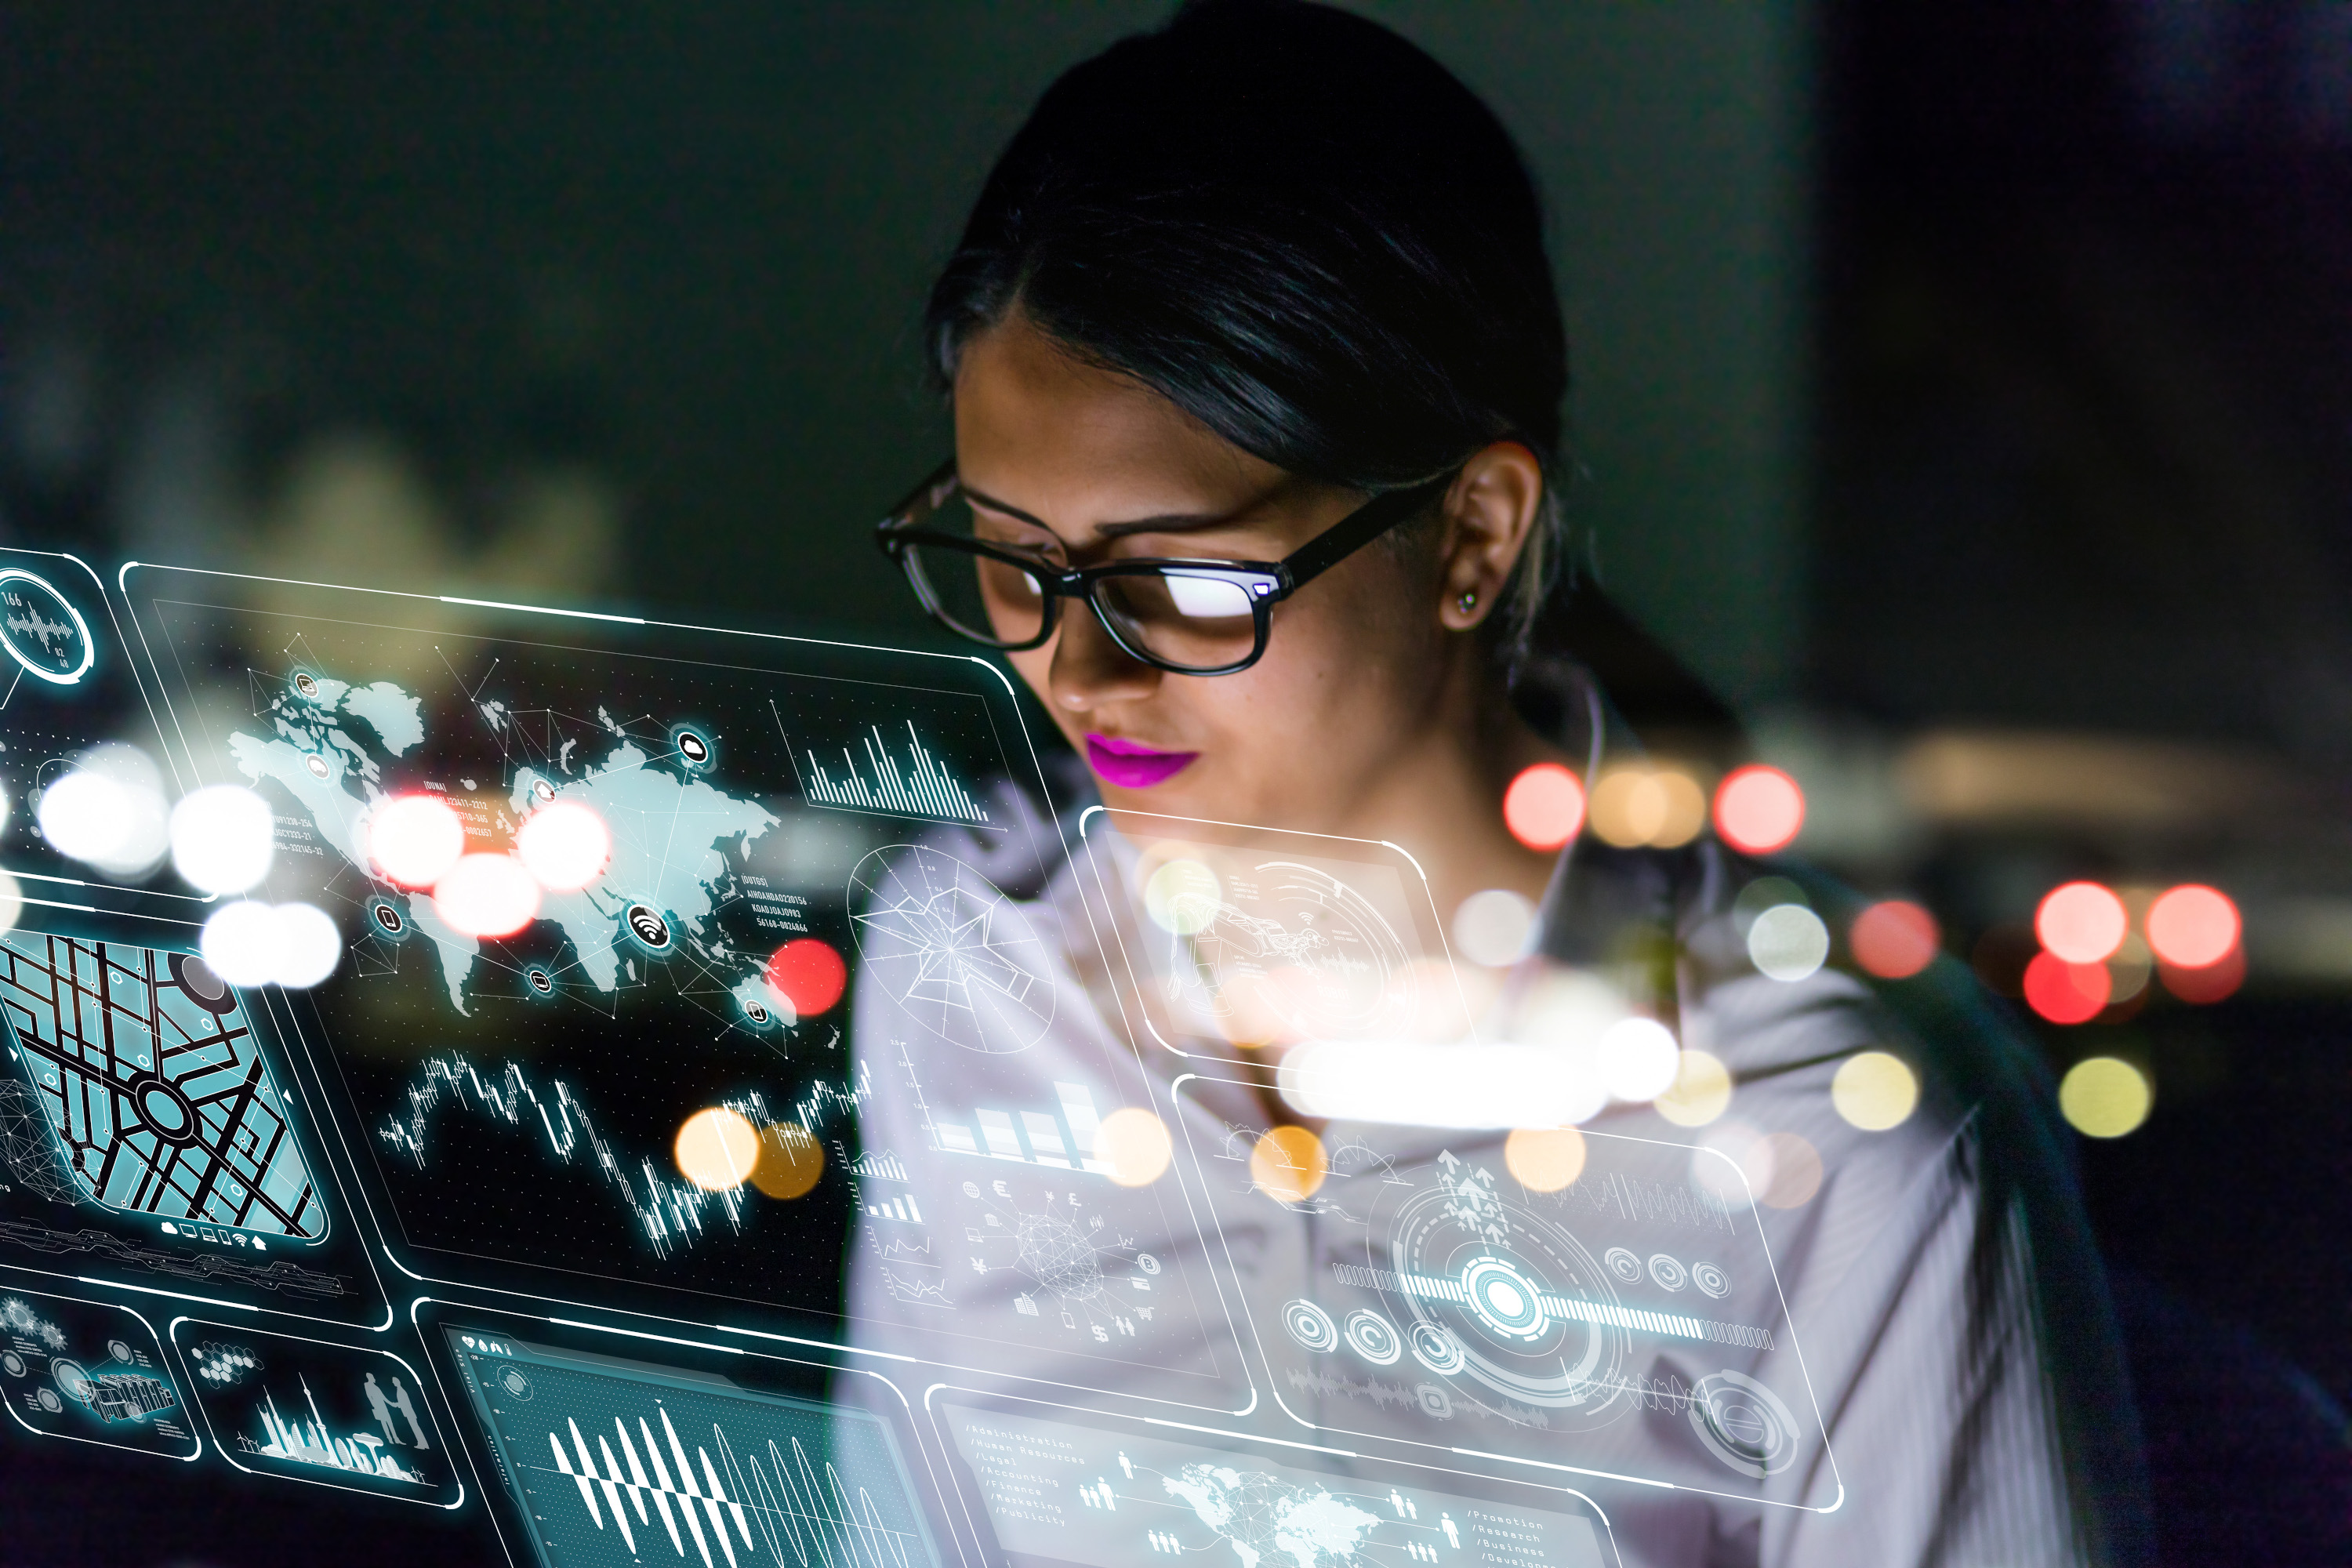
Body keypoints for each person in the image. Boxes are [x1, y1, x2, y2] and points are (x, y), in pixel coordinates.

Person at [851, 3, 2153, 1563]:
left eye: (1183, 576)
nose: (1080, 669)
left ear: (1472, 531)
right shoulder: (970, 973)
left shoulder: (1826, 1126)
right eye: (1008, 559)